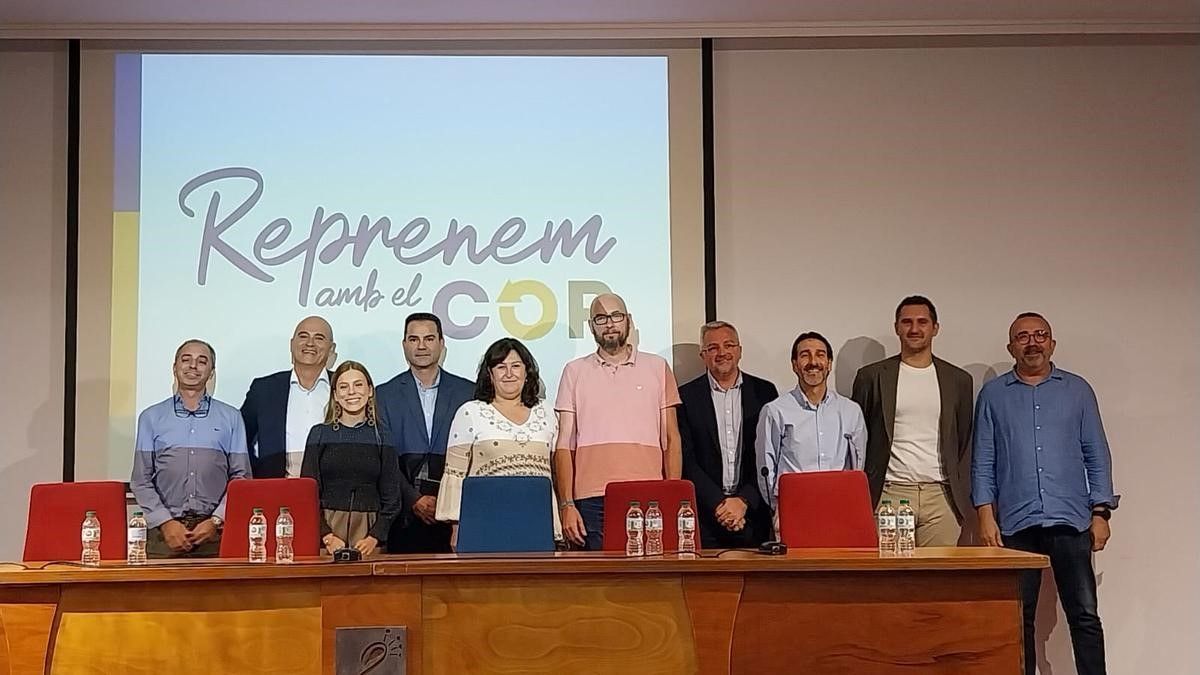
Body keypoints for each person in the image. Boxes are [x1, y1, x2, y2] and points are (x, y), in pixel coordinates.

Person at [973, 312, 1117, 675]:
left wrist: (1101, 513)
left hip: (1071, 519)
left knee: (1084, 615)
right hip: (1016, 523)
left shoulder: (1078, 390)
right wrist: (985, 514)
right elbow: (983, 459)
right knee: (1017, 617)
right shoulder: (993, 395)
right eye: (1023, 337)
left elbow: (1096, 454)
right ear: (1011, 347)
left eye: (1040, 335)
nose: (1032, 343)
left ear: (1052, 343)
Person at [554, 293, 682, 550]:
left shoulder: (657, 367)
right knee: (599, 575)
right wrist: (567, 504)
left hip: (649, 492)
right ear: (591, 326)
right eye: (601, 318)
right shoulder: (574, 371)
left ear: (628, 321)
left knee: (651, 571)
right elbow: (564, 444)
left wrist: (673, 496)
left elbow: (671, 437)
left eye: (616, 316)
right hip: (591, 498)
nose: (610, 324)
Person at [852, 296, 974, 546]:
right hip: (890, 494)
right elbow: (860, 436)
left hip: (941, 496)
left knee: (938, 571)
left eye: (922, 322)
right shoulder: (871, 377)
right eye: (907, 322)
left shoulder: (958, 380)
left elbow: (962, 438)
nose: (914, 329)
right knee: (892, 571)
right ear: (896, 327)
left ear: (935, 328)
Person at [131, 339, 251, 558]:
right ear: (174, 367)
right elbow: (141, 480)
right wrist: (165, 522)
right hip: (163, 537)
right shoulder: (150, 417)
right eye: (186, 360)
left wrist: (216, 521)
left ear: (211, 372)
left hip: (216, 536)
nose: (193, 366)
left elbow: (241, 477)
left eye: (202, 361)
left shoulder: (231, 417)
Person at [436, 338, 562, 547]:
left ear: (527, 371)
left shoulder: (547, 413)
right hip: (484, 521)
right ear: (490, 374)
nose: (509, 373)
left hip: (538, 521)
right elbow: (455, 475)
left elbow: (557, 473)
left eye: (516, 366)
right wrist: (457, 529)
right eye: (501, 367)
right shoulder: (470, 412)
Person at [375, 312, 475, 553]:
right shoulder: (383, 394)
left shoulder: (468, 392)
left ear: (441, 343)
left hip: (458, 514)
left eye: (429, 339)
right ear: (404, 345)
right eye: (414, 339)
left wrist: (447, 500)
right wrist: (414, 499)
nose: (421, 346)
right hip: (402, 517)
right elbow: (382, 458)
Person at [678, 321, 778, 548]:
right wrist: (719, 504)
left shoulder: (765, 392)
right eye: (712, 348)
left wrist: (744, 500)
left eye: (729, 345)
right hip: (705, 515)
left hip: (753, 514)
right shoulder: (686, 396)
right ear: (703, 355)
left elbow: (771, 456)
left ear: (739, 350)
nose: (721, 352)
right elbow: (687, 460)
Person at [756, 332, 866, 516]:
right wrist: (779, 510)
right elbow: (765, 467)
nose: (813, 362)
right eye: (805, 355)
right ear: (794, 365)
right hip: (793, 508)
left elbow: (858, 466)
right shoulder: (775, 410)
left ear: (829, 364)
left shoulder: (851, 411)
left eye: (820, 355)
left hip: (839, 507)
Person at [301, 361, 401, 557]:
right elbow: (308, 493)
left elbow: (392, 499)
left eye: (358, 385)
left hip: (369, 534)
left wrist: (375, 536)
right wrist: (326, 535)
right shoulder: (319, 434)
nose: (351, 392)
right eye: (343, 387)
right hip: (327, 533)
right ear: (335, 395)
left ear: (370, 391)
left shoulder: (382, 436)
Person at [241, 316, 335, 478]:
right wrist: (258, 473)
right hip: (276, 488)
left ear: (331, 348)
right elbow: (240, 440)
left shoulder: (344, 387)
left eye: (319, 338)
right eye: (303, 336)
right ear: (292, 344)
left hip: (332, 488)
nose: (310, 343)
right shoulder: (264, 389)